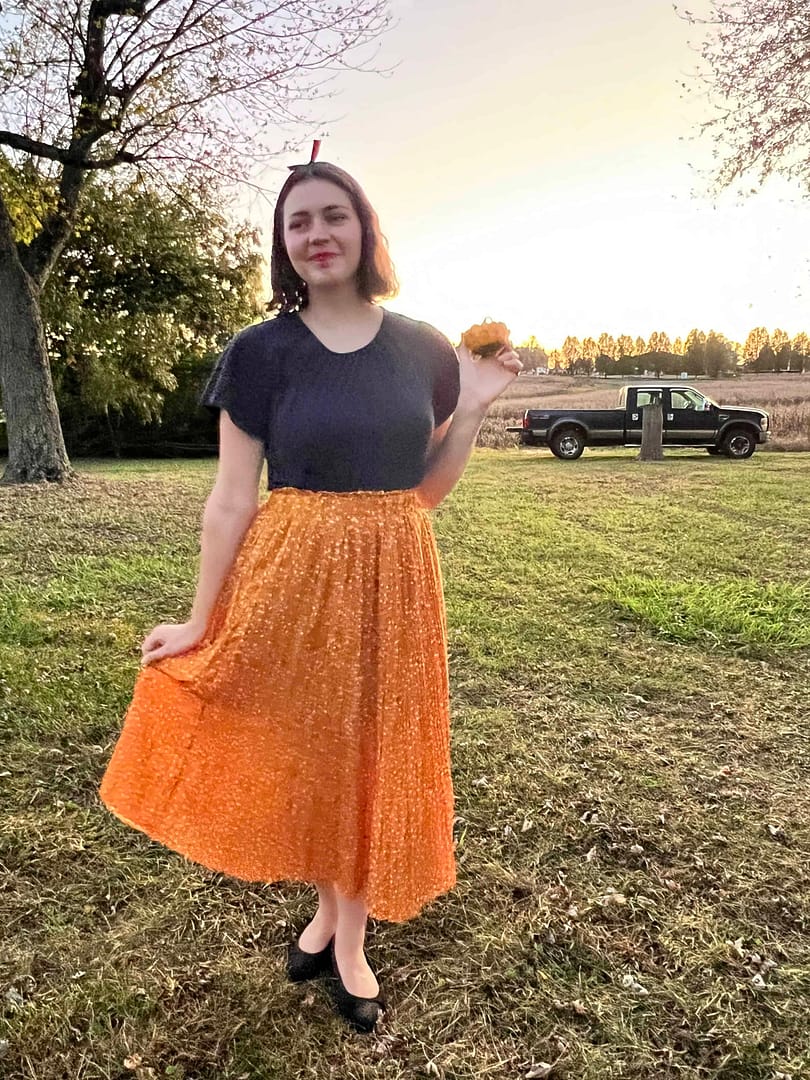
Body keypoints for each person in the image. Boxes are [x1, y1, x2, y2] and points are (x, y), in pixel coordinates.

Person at [98, 143, 522, 1033]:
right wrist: (198, 618)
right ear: (282, 245)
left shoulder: (423, 349)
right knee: (315, 746)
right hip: (292, 570)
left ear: (366, 228)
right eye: (299, 222)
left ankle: (339, 928)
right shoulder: (260, 353)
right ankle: (343, 931)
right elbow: (228, 498)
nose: (317, 233)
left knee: (374, 747)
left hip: (396, 571)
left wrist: (475, 405)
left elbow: (428, 489)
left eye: (334, 215)